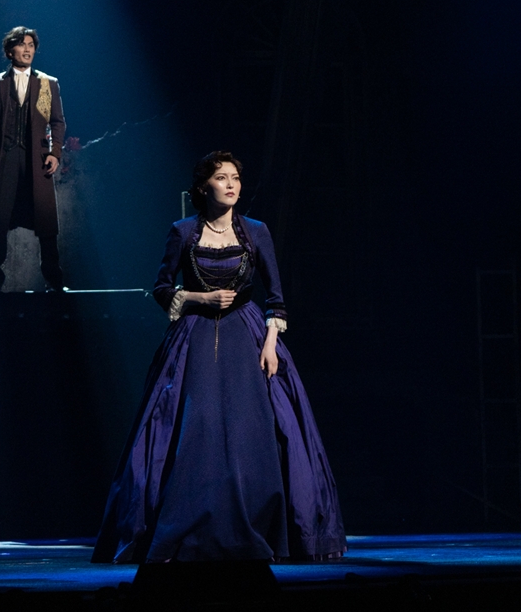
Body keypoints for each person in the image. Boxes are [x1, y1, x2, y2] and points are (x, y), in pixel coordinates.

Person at [92, 152, 346, 562]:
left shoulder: (256, 231)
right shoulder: (182, 231)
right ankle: (190, 525)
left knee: (252, 429)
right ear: (203, 187)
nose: (231, 185)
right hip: (193, 335)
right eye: (221, 177)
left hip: (247, 335)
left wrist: (270, 344)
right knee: (197, 426)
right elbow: (161, 288)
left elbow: (276, 298)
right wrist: (198, 297)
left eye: (236, 178)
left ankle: (260, 524)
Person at [0, 26, 67, 290]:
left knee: (45, 221)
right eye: (22, 44)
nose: (27, 50)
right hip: (5, 158)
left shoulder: (46, 83)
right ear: (9, 51)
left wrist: (55, 153)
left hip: (37, 161)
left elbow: (56, 122)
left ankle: (53, 278)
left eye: (31, 45)